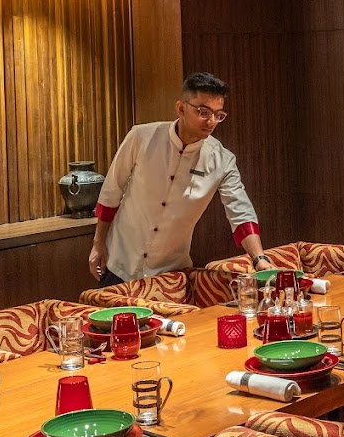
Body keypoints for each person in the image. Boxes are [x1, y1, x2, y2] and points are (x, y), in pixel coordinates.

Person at [89, 71, 272, 284]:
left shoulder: (222, 160)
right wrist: (98, 244)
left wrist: (259, 259)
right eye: (204, 112)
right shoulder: (141, 137)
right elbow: (111, 191)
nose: (211, 121)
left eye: (218, 115)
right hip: (119, 262)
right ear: (181, 108)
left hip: (169, 273)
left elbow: (240, 212)